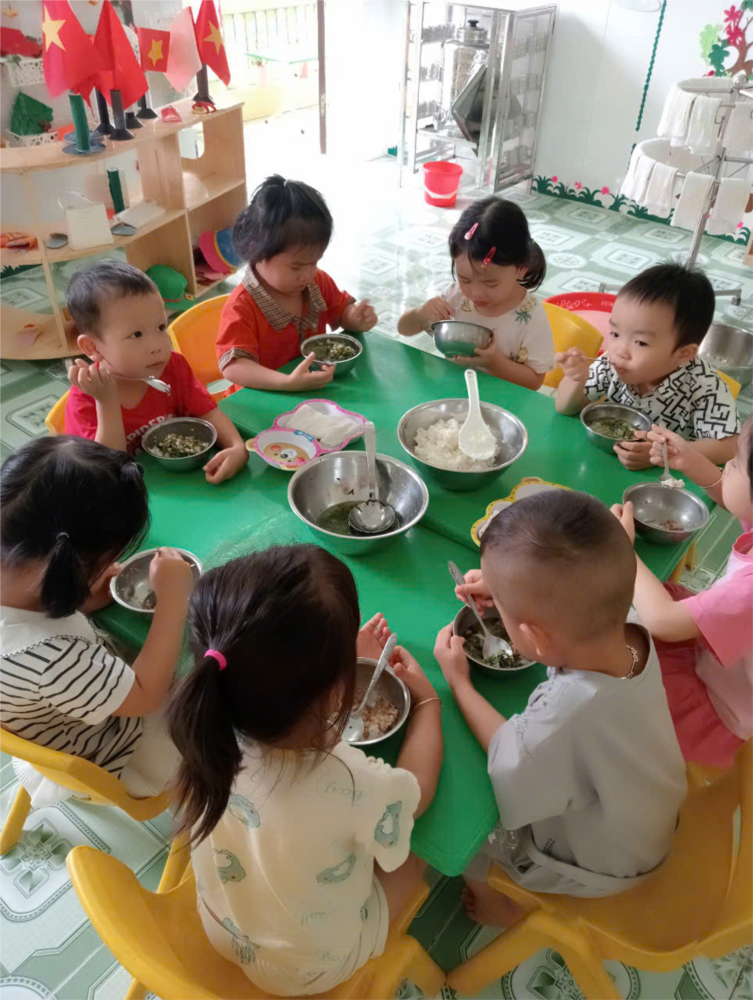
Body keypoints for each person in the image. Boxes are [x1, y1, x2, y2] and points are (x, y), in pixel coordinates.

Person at [167, 545, 442, 995]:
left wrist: (329, 664)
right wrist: (428, 704)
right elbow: (417, 792)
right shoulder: (349, 779)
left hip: (223, 927)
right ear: (335, 688)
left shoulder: (205, 726)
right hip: (306, 971)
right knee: (421, 854)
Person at [436, 490, 685, 926]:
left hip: (601, 865)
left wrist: (459, 683)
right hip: (647, 814)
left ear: (535, 638)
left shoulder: (566, 716)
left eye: (504, 613)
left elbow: (508, 755)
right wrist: (510, 592)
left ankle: (497, 904)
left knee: (460, 829)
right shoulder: (629, 627)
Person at [0, 436, 192, 804]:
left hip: (55, 712)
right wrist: (173, 601)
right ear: (73, 563)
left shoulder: (18, 578)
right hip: (114, 750)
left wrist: (77, 598)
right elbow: (145, 695)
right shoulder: (52, 662)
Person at [611, 416, 753, 769]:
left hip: (711, 706)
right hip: (716, 658)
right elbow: (734, 496)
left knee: (606, 694)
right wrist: (689, 460)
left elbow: (664, 622)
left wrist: (623, 550)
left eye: (736, 463)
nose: (728, 465)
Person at [65, 260, 247, 485]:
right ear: (92, 347)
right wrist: (106, 400)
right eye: (136, 334)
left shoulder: (173, 367)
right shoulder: (86, 398)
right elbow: (109, 469)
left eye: (161, 327)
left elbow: (207, 412)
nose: (158, 346)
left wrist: (236, 447)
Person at [555, 263, 739, 470]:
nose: (619, 350)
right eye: (615, 334)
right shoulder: (611, 362)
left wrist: (664, 453)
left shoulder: (705, 386)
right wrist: (577, 378)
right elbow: (564, 407)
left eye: (641, 342)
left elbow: (730, 447)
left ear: (683, 354)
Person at [216, 175, 377, 394]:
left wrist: (354, 318)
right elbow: (234, 367)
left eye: (314, 262)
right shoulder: (242, 307)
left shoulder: (317, 282)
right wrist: (287, 382)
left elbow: (341, 313)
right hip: (262, 400)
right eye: (296, 267)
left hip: (311, 393)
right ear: (257, 250)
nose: (308, 275)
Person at [397, 198, 554, 390]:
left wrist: (495, 363)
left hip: (502, 401)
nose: (475, 293)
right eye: (465, 279)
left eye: (490, 283)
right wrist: (420, 314)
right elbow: (403, 329)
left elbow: (535, 381)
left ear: (521, 268)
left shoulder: (531, 317)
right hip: (456, 393)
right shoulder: (456, 296)